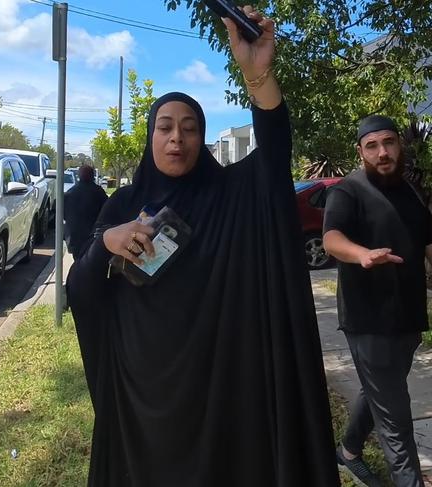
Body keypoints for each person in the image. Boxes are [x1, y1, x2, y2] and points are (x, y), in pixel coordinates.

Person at [67, 6, 340, 487]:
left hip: (225, 386)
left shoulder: (232, 194)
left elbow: (275, 152)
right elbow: (82, 292)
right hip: (142, 396)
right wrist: (107, 242)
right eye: (165, 127)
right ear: (151, 136)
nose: (177, 138)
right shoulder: (122, 205)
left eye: (190, 128)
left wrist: (258, 76)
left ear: (204, 138)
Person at [323, 114, 432, 487]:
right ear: (361, 151)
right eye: (372, 146)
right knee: (396, 418)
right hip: (368, 320)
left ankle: (347, 451)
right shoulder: (348, 191)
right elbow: (331, 238)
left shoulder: (409, 191)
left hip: (408, 316)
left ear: (400, 145)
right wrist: (360, 254)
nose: (382, 152)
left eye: (388, 143)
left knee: (378, 390)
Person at [64, 165, 108, 260]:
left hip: (75, 236)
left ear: (79, 176)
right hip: (93, 235)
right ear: (92, 176)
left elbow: (63, 214)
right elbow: (107, 212)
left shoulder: (70, 193)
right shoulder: (99, 192)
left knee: (77, 260)